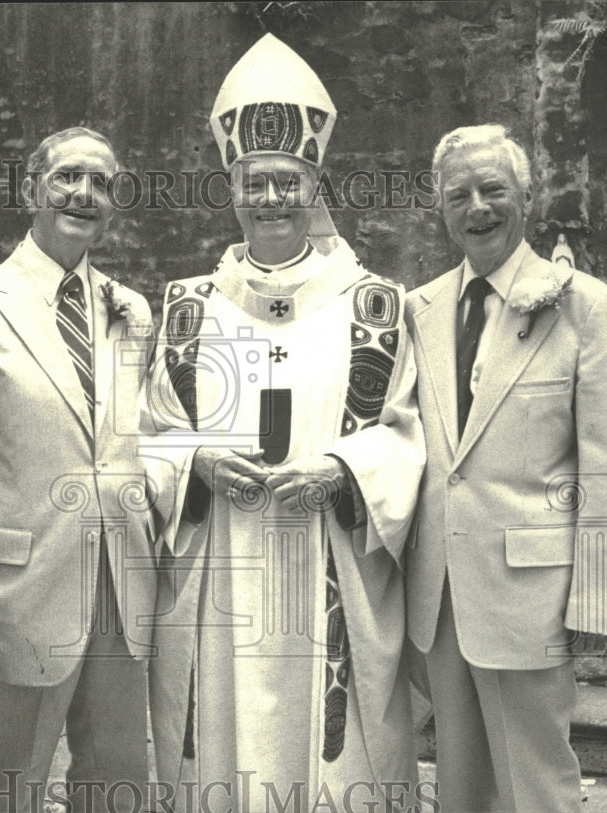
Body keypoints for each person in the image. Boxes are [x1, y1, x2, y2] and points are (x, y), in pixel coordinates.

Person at [142, 34, 426, 812]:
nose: (271, 198)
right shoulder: (186, 307)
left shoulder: (377, 306)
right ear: (231, 188)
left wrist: (343, 470)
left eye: (286, 182)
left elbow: (408, 437)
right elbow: (147, 431)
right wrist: (194, 461)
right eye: (255, 182)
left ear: (315, 186)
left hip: (327, 562)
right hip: (220, 568)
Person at [404, 124, 607, 812]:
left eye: (493, 189)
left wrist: (594, 593)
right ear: (441, 208)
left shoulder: (588, 306)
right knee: (460, 782)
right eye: (459, 195)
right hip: (441, 593)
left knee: (536, 784)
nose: (476, 206)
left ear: (526, 196)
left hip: (532, 590)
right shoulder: (419, 309)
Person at [0, 127, 156, 813]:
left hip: (121, 577)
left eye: (102, 183)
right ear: (33, 189)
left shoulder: (131, 309)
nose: (85, 193)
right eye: (68, 177)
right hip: (19, 585)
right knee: (14, 781)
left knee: (117, 777)